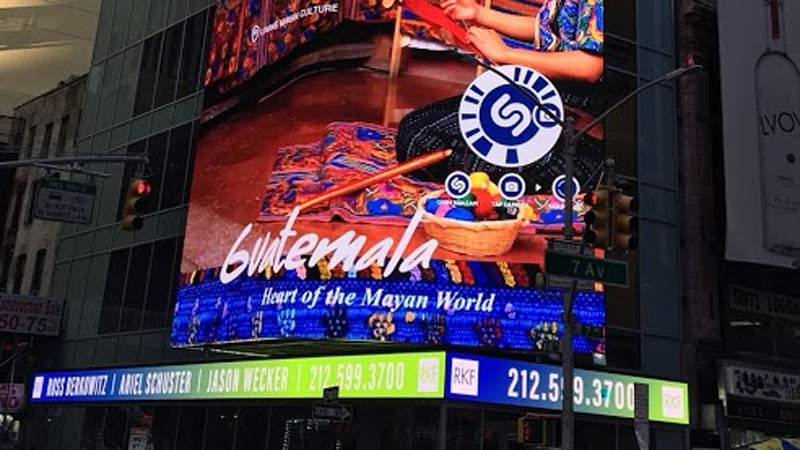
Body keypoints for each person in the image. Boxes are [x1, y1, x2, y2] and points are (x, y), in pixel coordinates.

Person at [395, 0, 605, 192]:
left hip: (580, 108)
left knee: (422, 139)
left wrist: (506, 54)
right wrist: (478, 13)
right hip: (549, 88)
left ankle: (585, 169)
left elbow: (590, 66)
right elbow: (546, 28)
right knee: (413, 129)